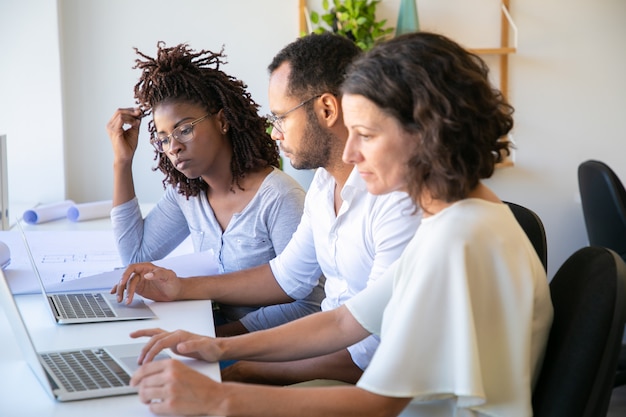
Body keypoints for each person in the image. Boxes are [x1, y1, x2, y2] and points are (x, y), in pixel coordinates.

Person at [127, 31, 554, 417]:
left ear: (425, 132)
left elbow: (379, 402)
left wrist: (221, 393)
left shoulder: (459, 238)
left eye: (365, 134)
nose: (349, 153)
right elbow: (346, 322)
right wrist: (217, 346)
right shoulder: (453, 221)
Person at [112, 33, 421, 385]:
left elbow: (366, 353)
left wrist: (233, 359)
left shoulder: (394, 200)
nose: (274, 133)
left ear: (326, 110)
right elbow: (284, 277)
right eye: (164, 138)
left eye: (281, 117)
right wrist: (181, 289)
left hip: (364, 380)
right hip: (330, 355)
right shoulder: (323, 186)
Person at [106, 42, 317, 335]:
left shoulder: (280, 198)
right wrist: (122, 162)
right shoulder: (188, 194)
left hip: (264, 352)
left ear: (222, 121)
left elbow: (312, 305)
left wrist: (222, 337)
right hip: (213, 335)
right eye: (164, 139)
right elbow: (135, 257)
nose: (174, 147)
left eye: (185, 129)